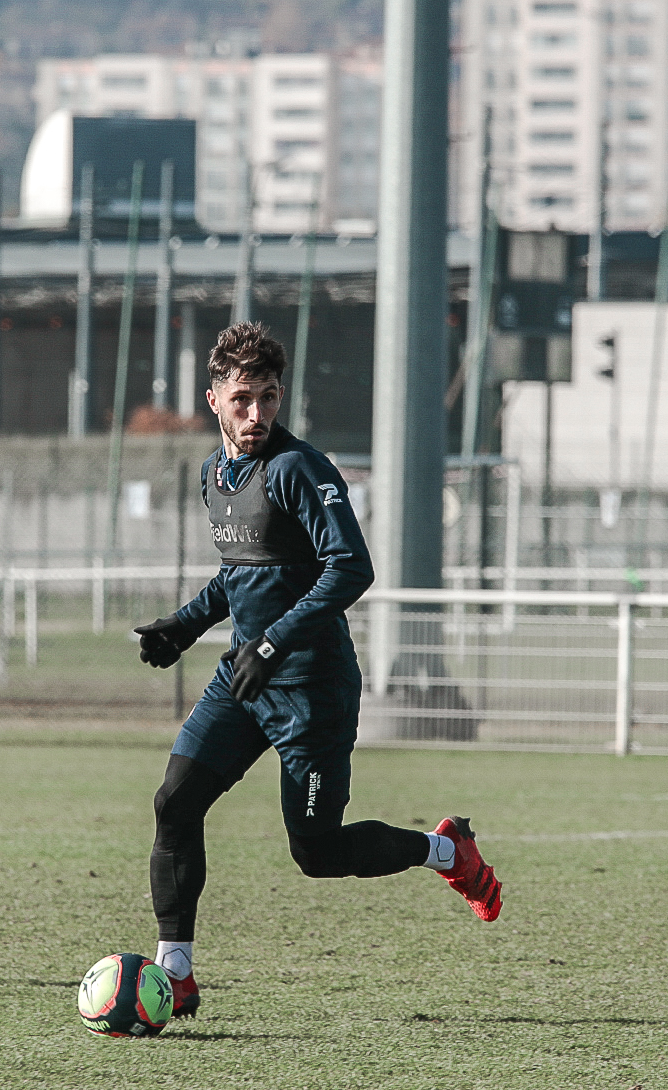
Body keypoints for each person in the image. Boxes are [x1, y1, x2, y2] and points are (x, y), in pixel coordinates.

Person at [133, 321, 503, 1019]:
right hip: (246, 679)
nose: (257, 414)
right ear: (214, 400)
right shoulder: (214, 476)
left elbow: (351, 567)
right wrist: (185, 625)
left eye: (269, 398)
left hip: (312, 688)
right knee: (174, 803)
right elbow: (242, 573)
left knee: (318, 851)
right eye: (243, 399)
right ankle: (175, 972)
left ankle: (445, 851)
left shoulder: (300, 469)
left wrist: (272, 644)